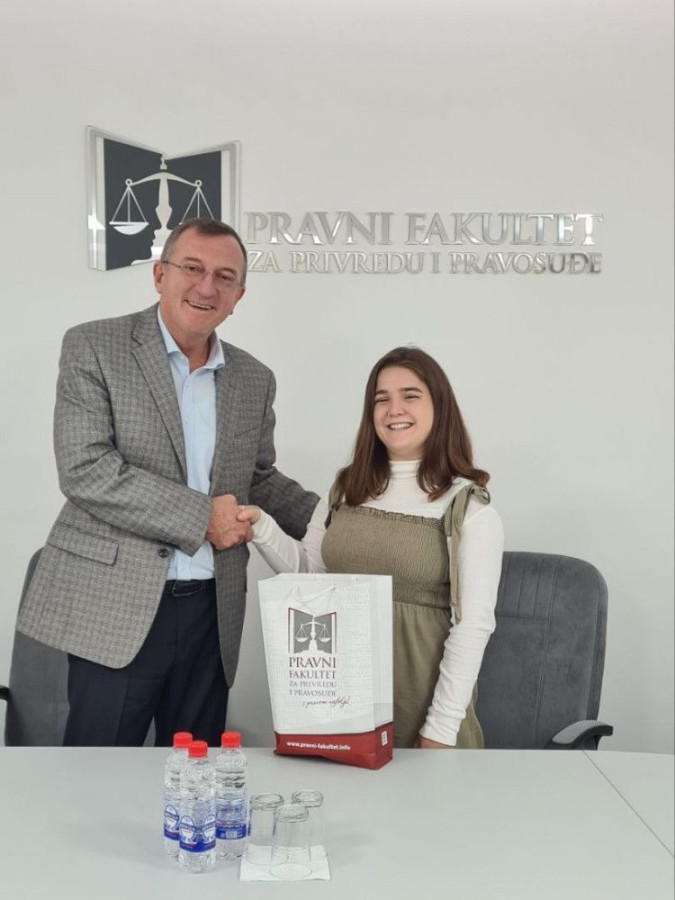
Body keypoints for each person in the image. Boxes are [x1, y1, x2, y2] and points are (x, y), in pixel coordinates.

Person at [17, 217, 319, 747]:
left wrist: (344, 518)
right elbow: (86, 467)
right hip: (115, 607)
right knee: (101, 775)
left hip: (211, 613)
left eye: (224, 277)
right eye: (192, 268)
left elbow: (257, 478)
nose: (207, 287)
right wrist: (203, 518)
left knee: (196, 775)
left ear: (238, 296)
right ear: (160, 275)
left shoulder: (254, 377)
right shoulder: (94, 346)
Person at [239, 347, 503, 748]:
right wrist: (262, 527)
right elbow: (312, 579)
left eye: (410, 395)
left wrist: (440, 729)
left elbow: (473, 625)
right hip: (343, 701)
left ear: (440, 406)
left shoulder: (467, 506)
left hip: (422, 705)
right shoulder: (345, 490)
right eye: (382, 399)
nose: (394, 409)